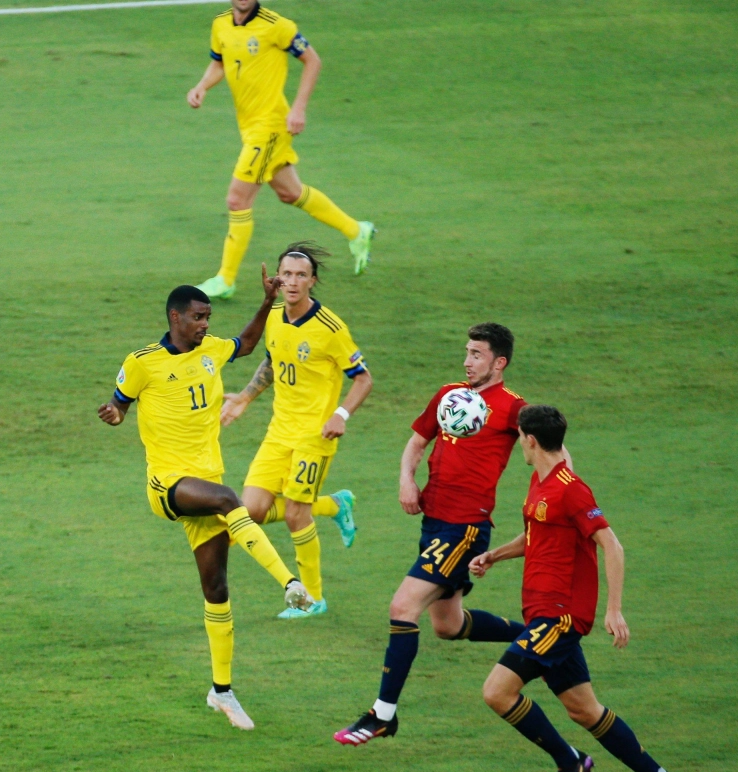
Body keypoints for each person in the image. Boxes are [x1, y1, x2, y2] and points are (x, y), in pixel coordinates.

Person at [98, 271, 314, 731]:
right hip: (169, 484)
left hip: (205, 481)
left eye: (207, 317)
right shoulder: (143, 362)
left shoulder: (213, 350)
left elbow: (249, 344)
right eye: (197, 317)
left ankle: (222, 692)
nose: (204, 325)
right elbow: (120, 402)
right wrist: (116, 414)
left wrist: (267, 301)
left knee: (216, 590)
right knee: (229, 499)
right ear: (175, 317)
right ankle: (290, 583)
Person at [335, 323, 560, 745]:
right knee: (448, 625)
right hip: (434, 521)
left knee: (403, 607)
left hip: (465, 527)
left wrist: (562, 496)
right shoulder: (449, 395)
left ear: (500, 362)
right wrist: (407, 478)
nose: (467, 361)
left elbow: (555, 453)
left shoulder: (514, 408)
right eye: (467, 352)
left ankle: (382, 714)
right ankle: (538, 636)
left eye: (476, 354)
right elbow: (417, 442)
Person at [471, 405, 684, 772]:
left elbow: (612, 545)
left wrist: (614, 609)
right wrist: (493, 556)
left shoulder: (570, 489)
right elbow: (537, 536)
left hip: (561, 619)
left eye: (520, 436)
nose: (519, 442)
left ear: (530, 441)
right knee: (585, 710)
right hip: (541, 614)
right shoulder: (540, 480)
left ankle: (570, 761)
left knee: (496, 692)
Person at [220, 242, 372, 618]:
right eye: (285, 274)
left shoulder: (330, 328)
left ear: (312, 281)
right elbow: (274, 362)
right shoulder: (274, 317)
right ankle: (336, 505)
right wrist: (244, 397)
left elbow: (363, 379)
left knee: (294, 515)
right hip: (279, 430)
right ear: (276, 277)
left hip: (315, 435)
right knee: (251, 509)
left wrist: (341, 415)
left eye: (300, 275)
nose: (291, 282)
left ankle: (314, 599)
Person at [186, 0, 375, 300]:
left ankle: (226, 279)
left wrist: (298, 108)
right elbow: (220, 62)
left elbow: (312, 60)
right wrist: (202, 86)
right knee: (290, 193)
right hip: (248, 126)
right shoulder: (220, 24)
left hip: (271, 126)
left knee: (237, 199)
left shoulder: (277, 25)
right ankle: (357, 231)